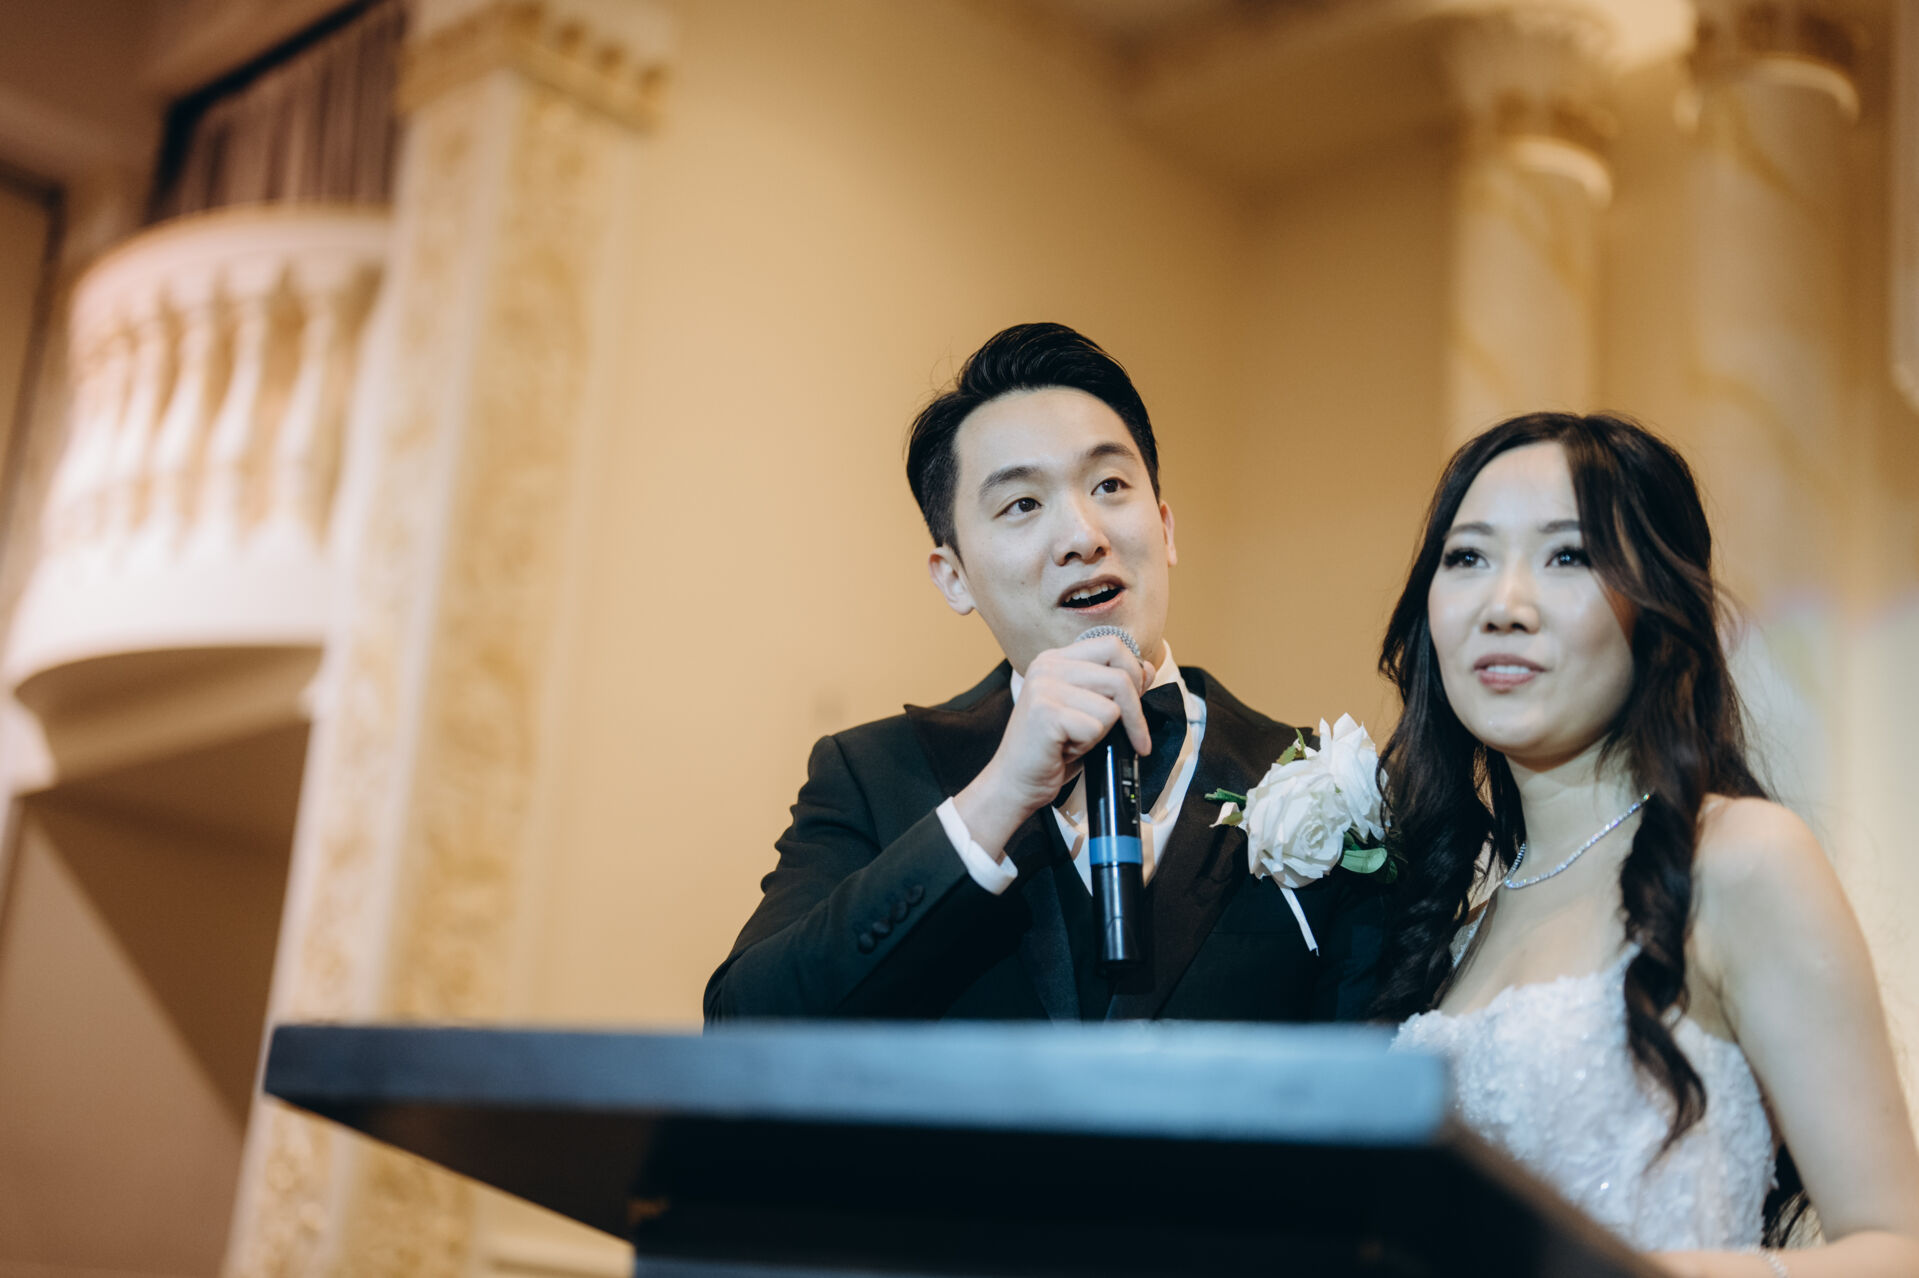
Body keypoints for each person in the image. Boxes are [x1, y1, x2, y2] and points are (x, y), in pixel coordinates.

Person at [705, 322, 1386, 1022]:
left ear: (1164, 527)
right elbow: (743, 1023)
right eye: (1022, 504)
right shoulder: (871, 775)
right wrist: (998, 797)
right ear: (954, 577)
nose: (1082, 537)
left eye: (1109, 484)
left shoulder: (1323, 779)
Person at [1377, 412, 1919, 1275]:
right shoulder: (1455, 921)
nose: (1502, 606)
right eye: (1466, 557)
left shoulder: (1738, 859)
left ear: (1655, 604)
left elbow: (1897, 1248)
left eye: (1568, 556)